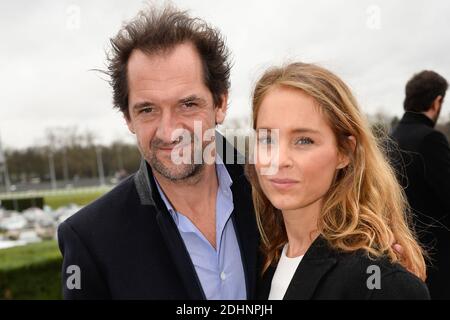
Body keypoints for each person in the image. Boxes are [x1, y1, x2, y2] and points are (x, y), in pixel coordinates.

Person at [57, 6, 258, 299]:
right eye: (148, 110)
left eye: (187, 105)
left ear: (220, 104)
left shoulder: (275, 194)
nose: (168, 131)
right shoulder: (89, 239)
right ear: (128, 118)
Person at [246, 62, 430, 299]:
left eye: (304, 140)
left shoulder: (379, 282)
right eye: (267, 138)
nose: (278, 160)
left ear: (344, 152)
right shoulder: (261, 263)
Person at [389, 70, 450, 299]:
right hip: (436, 257)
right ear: (437, 101)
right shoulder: (430, 139)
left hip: (400, 253)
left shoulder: (390, 138)